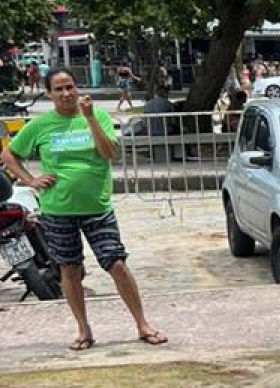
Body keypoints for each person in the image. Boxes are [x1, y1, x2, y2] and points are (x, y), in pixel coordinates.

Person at [1, 68, 167, 352]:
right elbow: (9, 154)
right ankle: (83, 328)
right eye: (59, 89)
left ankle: (142, 323)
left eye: (70, 87)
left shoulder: (97, 116)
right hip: (57, 209)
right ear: (50, 93)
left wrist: (90, 118)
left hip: (97, 206)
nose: (66, 94)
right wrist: (30, 180)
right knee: (69, 268)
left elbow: (109, 153)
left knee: (116, 263)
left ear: (77, 89)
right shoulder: (40, 125)